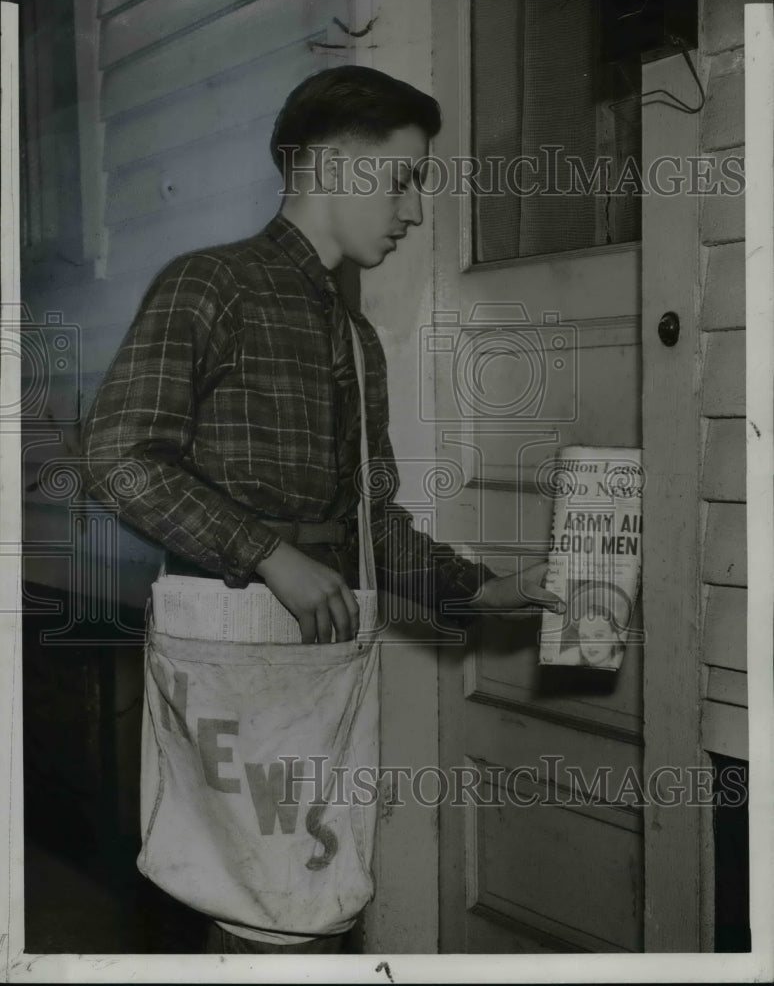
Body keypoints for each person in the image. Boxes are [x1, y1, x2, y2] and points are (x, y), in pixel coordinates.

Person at [80, 65, 562, 954]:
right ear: (333, 167)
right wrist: (268, 553)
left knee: (316, 900)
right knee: (263, 913)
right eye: (402, 177)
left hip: (320, 652)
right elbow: (117, 457)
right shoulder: (208, 286)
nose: (414, 209)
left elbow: (373, 522)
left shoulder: (356, 339)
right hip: (231, 648)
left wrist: (482, 590)